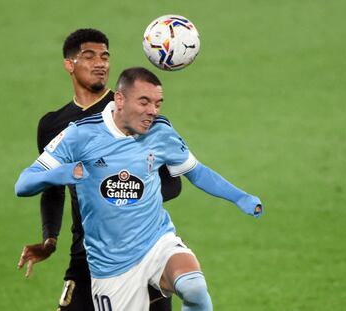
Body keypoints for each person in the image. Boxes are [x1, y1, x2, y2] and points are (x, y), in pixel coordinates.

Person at [15, 67, 263, 310]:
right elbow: (23, 183)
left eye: (158, 103)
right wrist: (64, 172)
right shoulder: (80, 134)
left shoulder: (161, 133)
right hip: (112, 266)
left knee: (194, 287)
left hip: (156, 241)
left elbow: (196, 171)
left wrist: (240, 197)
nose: (152, 111)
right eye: (144, 102)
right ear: (120, 99)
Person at [16, 29, 180, 311]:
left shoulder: (133, 112)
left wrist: (118, 198)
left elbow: (172, 184)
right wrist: (49, 239)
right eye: (89, 56)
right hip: (86, 253)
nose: (100, 63)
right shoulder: (54, 125)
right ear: (70, 64)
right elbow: (52, 188)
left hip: (140, 251)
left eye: (105, 56)